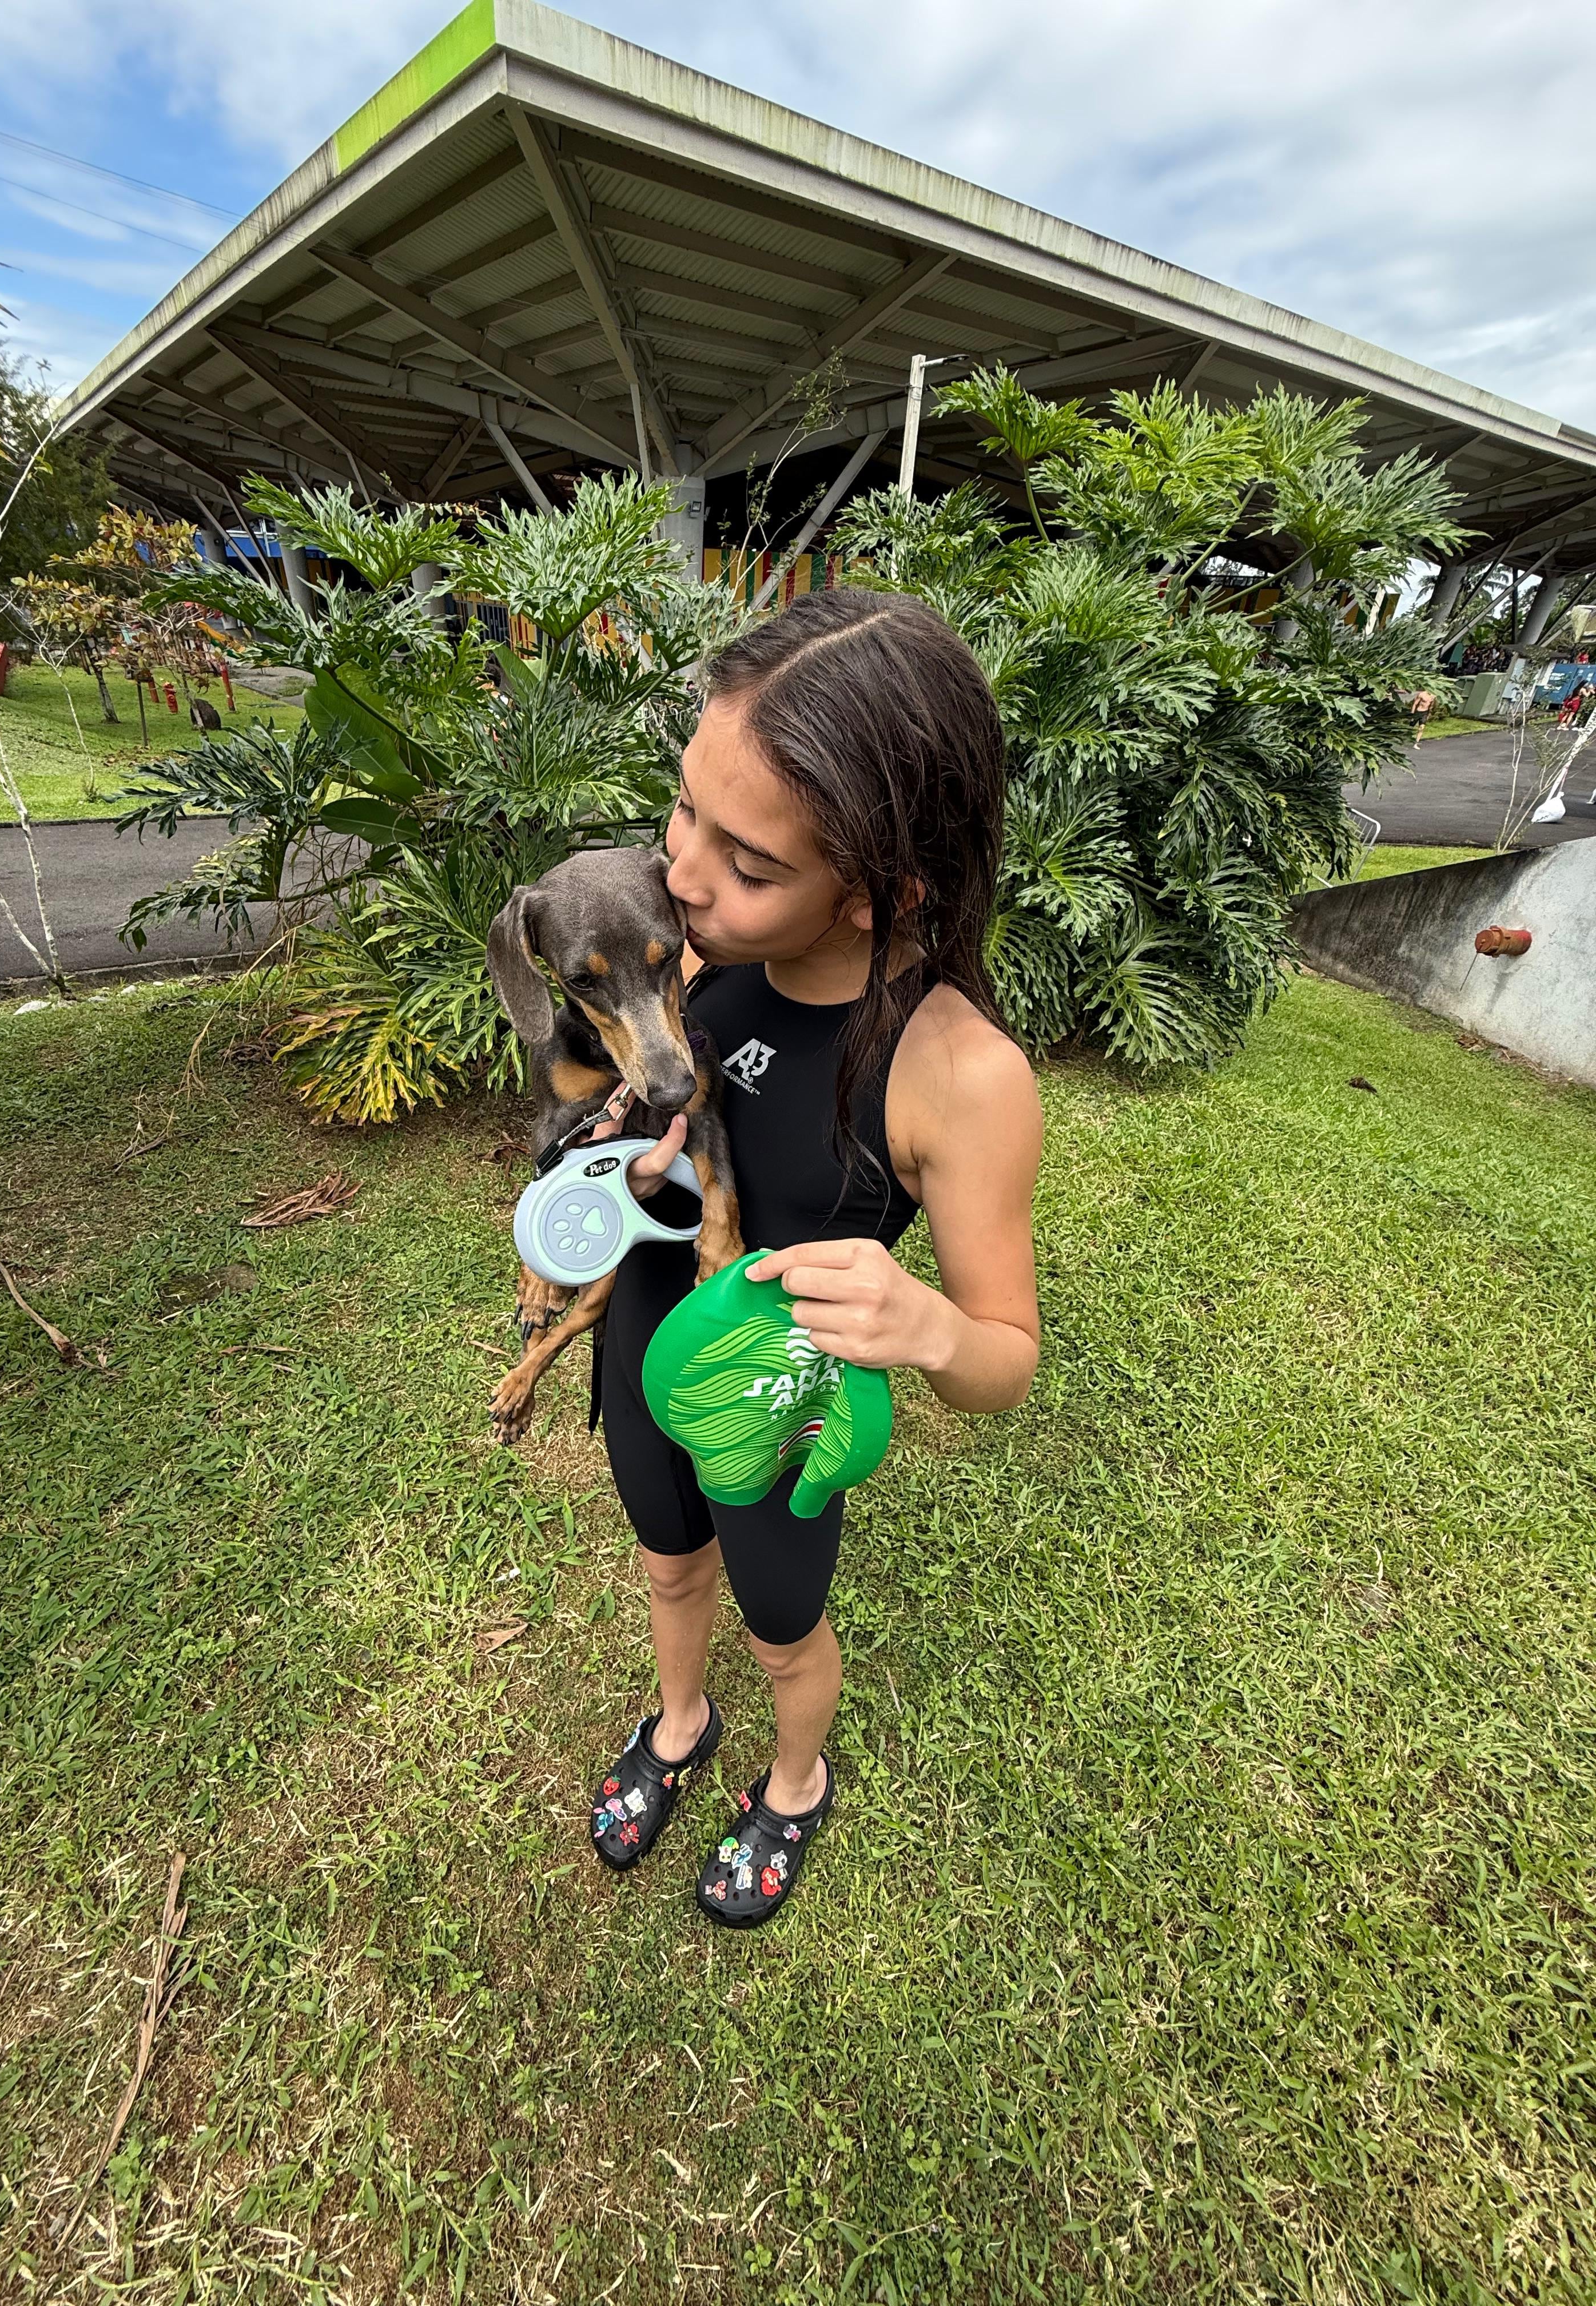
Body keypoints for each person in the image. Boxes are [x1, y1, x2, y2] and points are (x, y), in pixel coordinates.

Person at [588, 588, 1042, 1926]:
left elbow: (1005, 1358)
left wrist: (926, 1327)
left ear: (883, 887)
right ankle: (678, 1720)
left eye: (749, 860)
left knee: (784, 1626)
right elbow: (673, 1111)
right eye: (685, 810)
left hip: (775, 1409)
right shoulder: (689, 950)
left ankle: (795, 1782)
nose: (681, 871)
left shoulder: (960, 1072)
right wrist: (624, 1155)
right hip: (646, 1336)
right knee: (668, 1561)